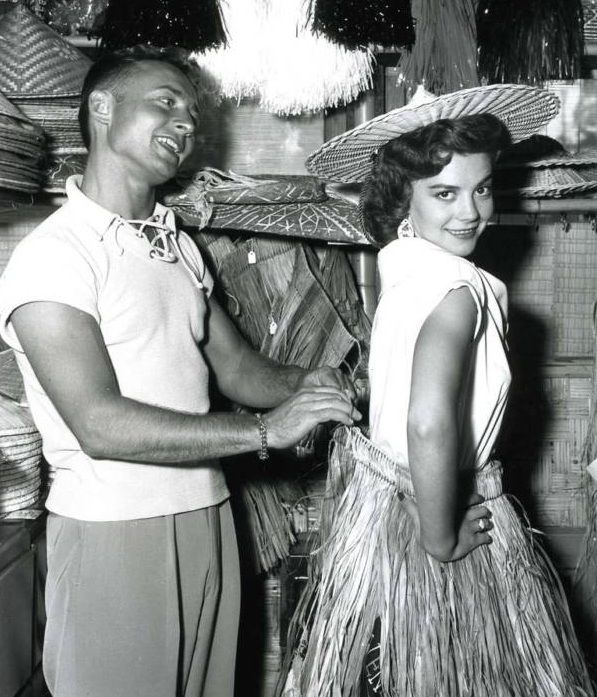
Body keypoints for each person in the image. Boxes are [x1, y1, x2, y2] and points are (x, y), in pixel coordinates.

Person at [0, 46, 360, 697]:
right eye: (165, 102)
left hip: (208, 517)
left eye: (191, 112)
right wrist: (265, 431)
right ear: (101, 108)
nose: (185, 123)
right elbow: (99, 425)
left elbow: (240, 369)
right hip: (113, 533)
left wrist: (311, 384)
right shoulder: (55, 255)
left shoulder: (176, 247)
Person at [280, 87, 595, 696]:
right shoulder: (457, 290)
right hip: (432, 515)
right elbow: (428, 421)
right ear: (404, 199)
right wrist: (440, 532)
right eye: (444, 193)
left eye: (482, 188)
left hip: (382, 515)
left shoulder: (402, 280)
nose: (471, 212)